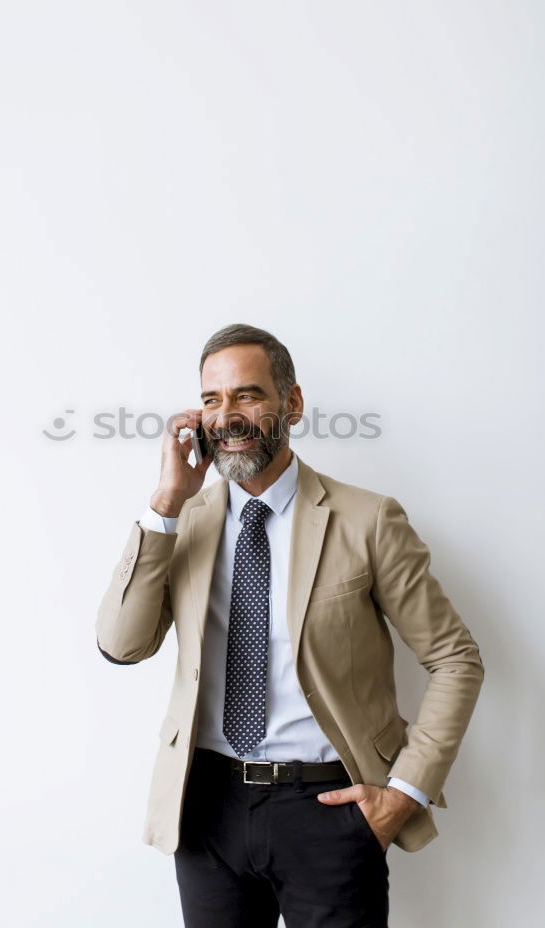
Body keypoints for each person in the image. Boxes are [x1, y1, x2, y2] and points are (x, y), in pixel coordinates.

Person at [95, 323, 484, 927]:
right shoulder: (184, 520)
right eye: (211, 400)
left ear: (292, 403)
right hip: (206, 810)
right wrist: (167, 502)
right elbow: (121, 646)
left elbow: (455, 658)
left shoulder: (367, 520)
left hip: (327, 809)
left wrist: (403, 795)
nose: (227, 416)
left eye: (247, 394)